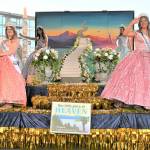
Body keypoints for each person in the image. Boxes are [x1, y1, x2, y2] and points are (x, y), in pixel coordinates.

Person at [101, 15, 150, 109]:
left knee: (146, 82)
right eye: (142, 21)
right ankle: (133, 101)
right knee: (135, 80)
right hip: (138, 58)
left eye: (145, 21)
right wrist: (132, 23)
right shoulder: (136, 33)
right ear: (139, 24)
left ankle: (144, 102)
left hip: (148, 59)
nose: (143, 22)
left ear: (148, 22)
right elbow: (125, 33)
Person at [0, 23, 27, 108]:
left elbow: (11, 52)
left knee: (11, 81)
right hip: (2, 61)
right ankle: (3, 99)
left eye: (10, 30)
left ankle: (10, 100)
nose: (9, 32)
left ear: (14, 31)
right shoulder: (3, 41)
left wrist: (1, 54)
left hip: (11, 62)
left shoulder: (16, 40)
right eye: (7, 30)